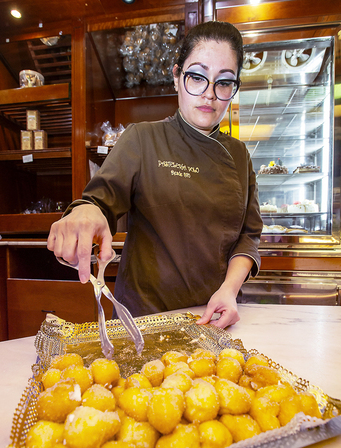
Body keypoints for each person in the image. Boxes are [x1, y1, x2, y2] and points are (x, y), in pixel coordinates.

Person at [47, 21, 263, 329]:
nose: (210, 95)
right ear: (177, 77)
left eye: (224, 82)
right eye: (197, 77)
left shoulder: (239, 155)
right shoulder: (142, 139)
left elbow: (249, 236)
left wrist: (229, 291)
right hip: (145, 319)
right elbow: (102, 199)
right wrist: (85, 213)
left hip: (212, 318)